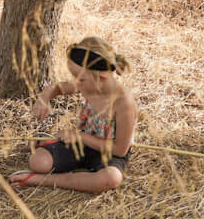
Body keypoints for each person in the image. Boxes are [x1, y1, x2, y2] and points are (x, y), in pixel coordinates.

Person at [8, 36, 136, 192]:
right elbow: (58, 88)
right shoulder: (88, 83)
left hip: (108, 152)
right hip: (81, 143)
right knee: (38, 162)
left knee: (111, 178)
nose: (76, 83)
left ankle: (39, 180)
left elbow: (120, 150)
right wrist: (44, 99)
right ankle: (45, 144)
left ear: (101, 77)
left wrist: (79, 136)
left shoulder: (124, 103)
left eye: (79, 79)